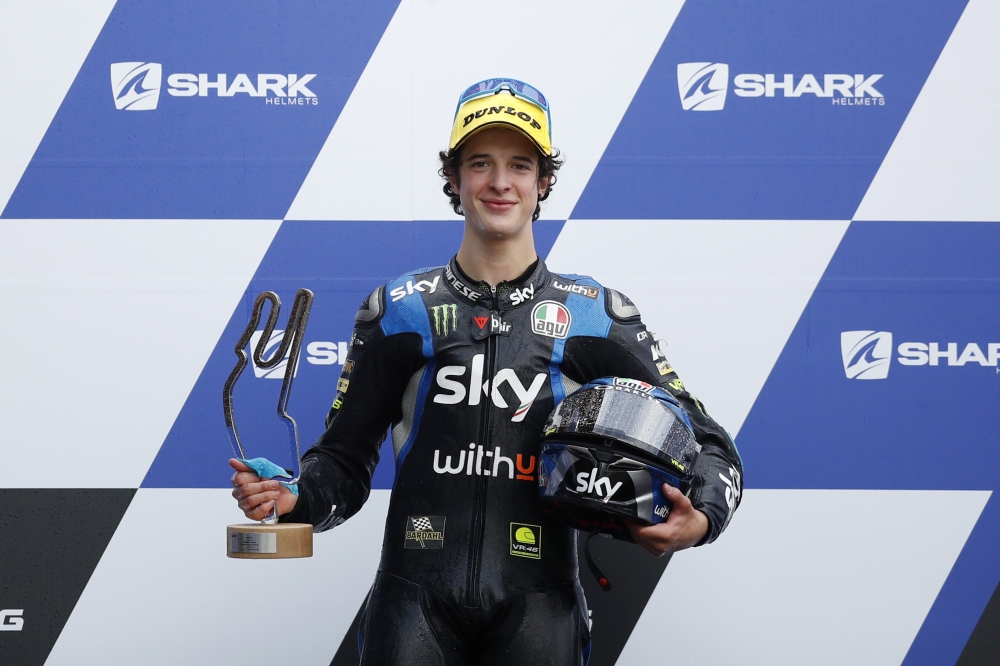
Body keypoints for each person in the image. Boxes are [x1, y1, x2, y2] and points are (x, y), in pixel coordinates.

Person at [230, 78, 743, 665]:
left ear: (543, 181)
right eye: (480, 163)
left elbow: (709, 443)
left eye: (520, 165)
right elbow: (344, 462)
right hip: (412, 603)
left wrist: (698, 519)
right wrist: (295, 496)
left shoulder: (594, 313)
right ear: (453, 177)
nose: (500, 182)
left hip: (540, 608)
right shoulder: (400, 308)